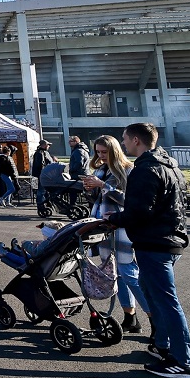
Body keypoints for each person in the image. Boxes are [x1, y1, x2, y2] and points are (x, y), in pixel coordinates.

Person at [106, 123, 190, 378]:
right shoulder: (170, 165)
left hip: (155, 243)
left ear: (136, 140)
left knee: (167, 302)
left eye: (125, 139)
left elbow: (140, 211)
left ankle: (183, 362)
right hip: (170, 240)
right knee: (153, 293)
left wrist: (115, 219)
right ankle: (163, 345)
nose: (123, 144)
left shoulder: (144, 169)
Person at [81, 135, 149, 335]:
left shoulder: (128, 170)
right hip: (104, 228)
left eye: (105, 152)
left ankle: (156, 318)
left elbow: (129, 200)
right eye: (98, 152)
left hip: (122, 229)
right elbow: (98, 200)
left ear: (115, 151)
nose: (101, 156)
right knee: (116, 275)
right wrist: (90, 188)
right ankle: (130, 317)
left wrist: (102, 186)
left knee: (129, 274)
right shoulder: (101, 170)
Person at [31, 139, 55, 209]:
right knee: (41, 190)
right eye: (48, 145)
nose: (49, 147)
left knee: (44, 190)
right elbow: (40, 165)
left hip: (43, 174)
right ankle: (41, 205)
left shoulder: (42, 152)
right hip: (42, 174)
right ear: (44, 145)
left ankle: (46, 203)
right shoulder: (40, 153)